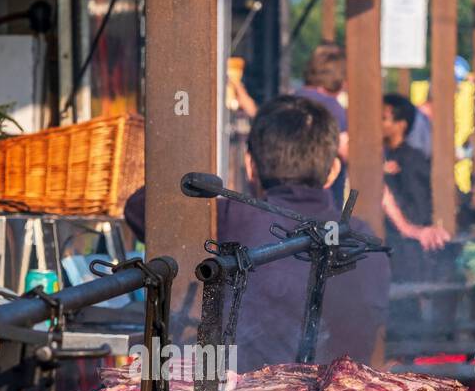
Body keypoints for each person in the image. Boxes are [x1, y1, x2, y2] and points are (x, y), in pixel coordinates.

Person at [122, 95, 388, 371]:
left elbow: (138, 208)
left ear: (250, 166)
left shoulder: (229, 218)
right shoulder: (363, 239)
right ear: (333, 170)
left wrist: (195, 181)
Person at [380, 93, 447, 264]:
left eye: (383, 118)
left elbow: (419, 208)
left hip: (408, 250)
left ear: (401, 125)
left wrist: (412, 230)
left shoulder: (411, 160)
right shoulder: (386, 156)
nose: (376, 123)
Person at [295, 44, 349, 209]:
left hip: (286, 201)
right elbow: (346, 151)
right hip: (323, 204)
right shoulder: (331, 107)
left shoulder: (292, 99)